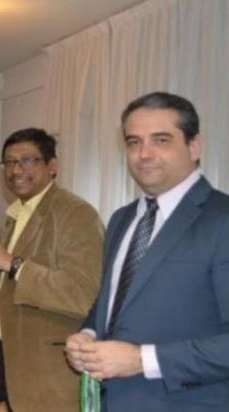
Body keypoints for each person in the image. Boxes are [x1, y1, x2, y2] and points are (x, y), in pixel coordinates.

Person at [65, 92, 229, 411]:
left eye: (161, 140)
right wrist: (88, 334)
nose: (144, 154)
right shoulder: (122, 218)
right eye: (134, 142)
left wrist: (142, 359)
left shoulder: (222, 219)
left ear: (194, 146)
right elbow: (114, 299)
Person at [0, 128, 104, 411]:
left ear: (52, 165)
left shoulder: (76, 213)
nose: (16, 170)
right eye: (9, 162)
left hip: (50, 378)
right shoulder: (16, 213)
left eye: (28, 160)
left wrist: (13, 265)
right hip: (10, 369)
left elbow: (83, 294)